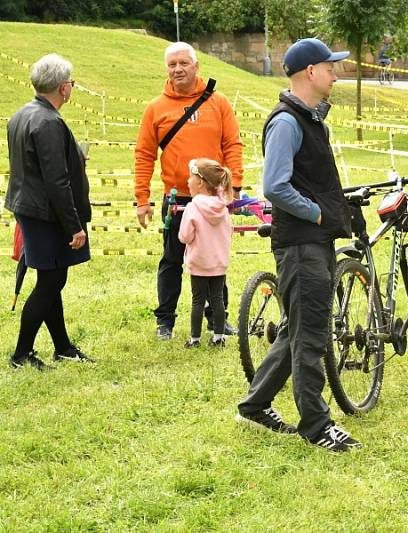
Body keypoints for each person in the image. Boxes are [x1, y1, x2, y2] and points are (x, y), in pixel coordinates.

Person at [236, 38, 361, 452]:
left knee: (297, 328)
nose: (335, 73)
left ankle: (255, 405)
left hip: (313, 242)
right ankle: (316, 425)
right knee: (311, 337)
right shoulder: (287, 122)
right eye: (330, 67)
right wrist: (317, 214)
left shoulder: (308, 118)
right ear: (310, 71)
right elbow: (274, 185)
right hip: (302, 243)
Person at [134, 42, 244, 340]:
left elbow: (232, 145)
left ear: (196, 66)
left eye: (184, 63)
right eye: (172, 64)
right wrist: (142, 199)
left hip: (214, 199)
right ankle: (165, 322)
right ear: (166, 69)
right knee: (172, 260)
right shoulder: (156, 108)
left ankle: (218, 319)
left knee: (214, 259)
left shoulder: (218, 103)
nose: (178, 69)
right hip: (177, 201)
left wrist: (234, 188)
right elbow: (144, 154)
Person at [5, 54, 95, 369]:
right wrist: (74, 226)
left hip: (31, 209)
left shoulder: (21, 115)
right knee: (50, 283)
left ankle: (63, 347)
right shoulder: (48, 122)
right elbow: (57, 182)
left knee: (51, 278)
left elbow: (32, 166)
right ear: (63, 87)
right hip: (47, 215)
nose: (72, 86)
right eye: (71, 82)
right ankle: (21, 355)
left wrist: (73, 160)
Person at [178, 158, 233, 349]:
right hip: (218, 263)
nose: (187, 181)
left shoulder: (193, 207)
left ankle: (195, 339)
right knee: (217, 299)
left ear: (200, 182)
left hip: (199, 263)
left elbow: (185, 236)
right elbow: (229, 232)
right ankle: (218, 336)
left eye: (190, 178)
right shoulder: (223, 208)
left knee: (197, 301)